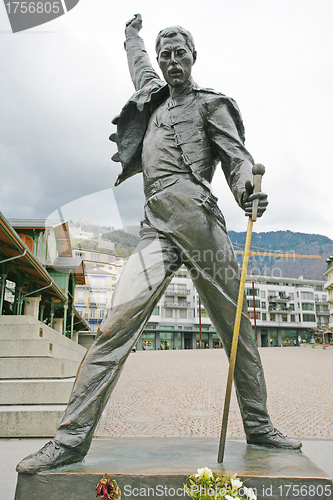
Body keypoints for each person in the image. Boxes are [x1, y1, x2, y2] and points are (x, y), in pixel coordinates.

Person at [16, 14, 301, 475]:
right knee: (113, 327)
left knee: (236, 328)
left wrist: (249, 188)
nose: (171, 61)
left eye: (179, 53)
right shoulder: (152, 99)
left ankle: (260, 424)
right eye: (165, 54)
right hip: (155, 226)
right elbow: (138, 63)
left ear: (193, 57)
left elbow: (238, 159)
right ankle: (68, 440)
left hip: (199, 219)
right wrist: (131, 36)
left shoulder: (212, 105)